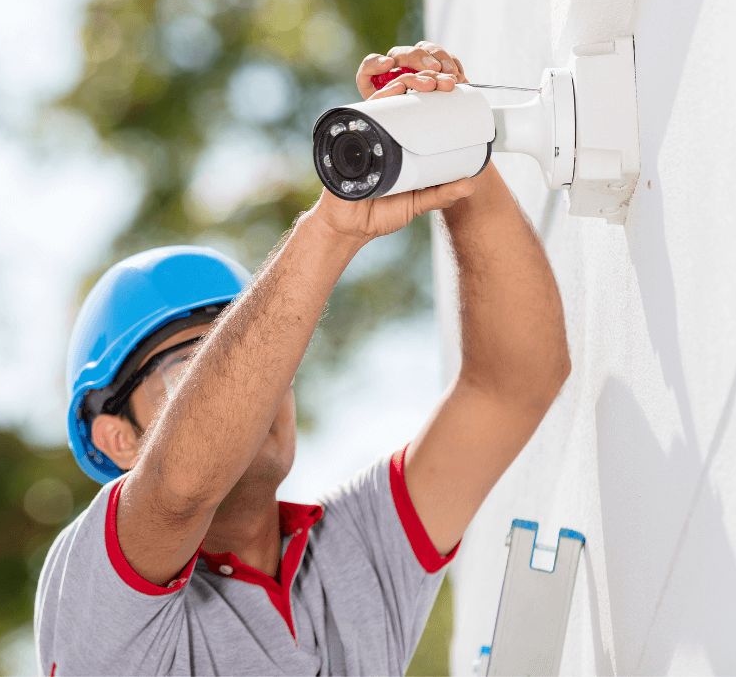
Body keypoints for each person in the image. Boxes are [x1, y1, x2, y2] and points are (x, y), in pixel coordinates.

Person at [35, 42, 571, 676]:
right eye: (193, 369)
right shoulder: (101, 602)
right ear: (118, 438)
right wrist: (333, 227)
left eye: (259, 357)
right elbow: (180, 490)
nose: (254, 392)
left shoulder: (354, 555)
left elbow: (513, 386)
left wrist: (455, 152)